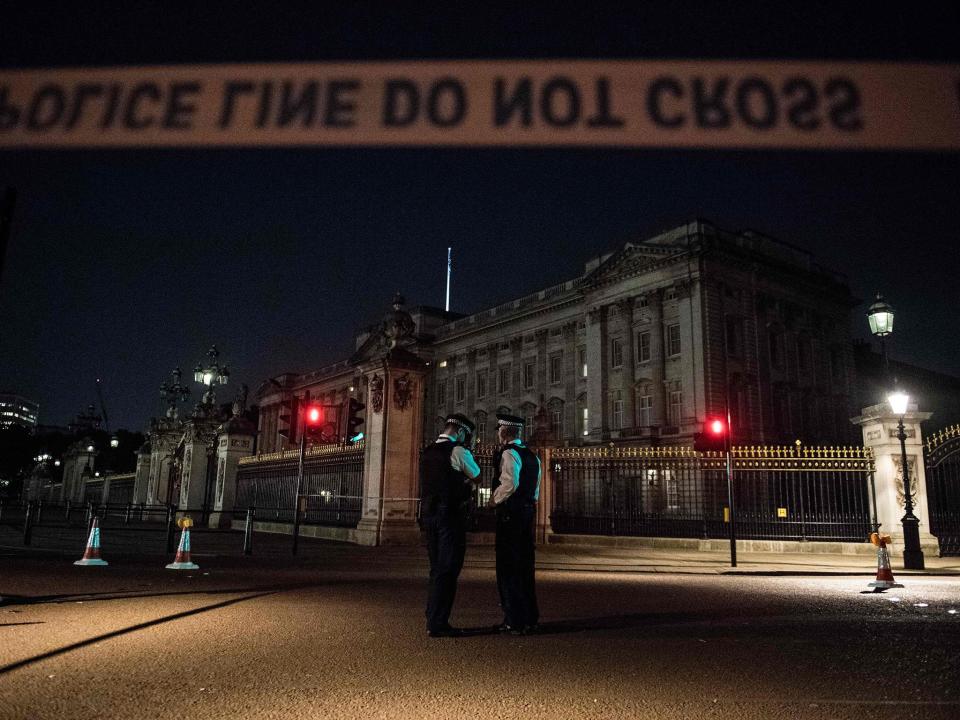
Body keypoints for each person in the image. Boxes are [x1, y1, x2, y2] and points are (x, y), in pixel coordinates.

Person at [420, 413, 481, 638]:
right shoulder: (458, 451)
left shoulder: (427, 451)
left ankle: (432, 614)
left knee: (436, 567)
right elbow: (476, 475)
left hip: (428, 515)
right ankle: (439, 622)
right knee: (449, 567)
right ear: (461, 431)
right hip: (450, 515)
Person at [487, 413, 541, 635]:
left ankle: (513, 619)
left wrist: (493, 500)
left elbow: (510, 483)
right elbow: (535, 489)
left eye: (499, 430)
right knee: (525, 567)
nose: (498, 433)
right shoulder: (532, 455)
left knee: (508, 568)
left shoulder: (509, 454)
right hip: (527, 513)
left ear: (504, 432)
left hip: (511, 515)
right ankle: (529, 617)